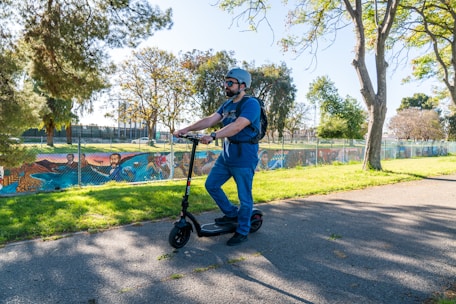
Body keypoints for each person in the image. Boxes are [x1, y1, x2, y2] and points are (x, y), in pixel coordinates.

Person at [174, 67, 261, 246]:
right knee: (211, 185)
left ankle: (243, 230)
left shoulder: (251, 104)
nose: (226, 86)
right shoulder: (227, 104)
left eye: (230, 83)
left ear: (243, 85)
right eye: (225, 82)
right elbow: (209, 120)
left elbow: (238, 126)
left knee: (245, 198)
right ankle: (231, 214)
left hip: (244, 156)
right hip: (227, 155)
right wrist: (186, 129)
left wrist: (213, 136)